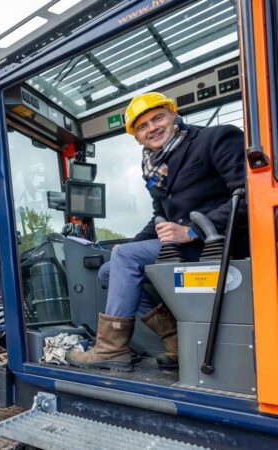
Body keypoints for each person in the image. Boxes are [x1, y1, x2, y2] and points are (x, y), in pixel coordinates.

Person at [66, 92, 248, 372]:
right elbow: (159, 219)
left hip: (222, 245)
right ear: (137, 137)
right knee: (110, 269)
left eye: (158, 118)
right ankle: (176, 341)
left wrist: (192, 230)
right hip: (188, 248)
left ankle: (110, 349)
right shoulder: (155, 170)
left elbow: (248, 196)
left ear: (173, 116)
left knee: (126, 258)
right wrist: (128, 246)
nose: (152, 128)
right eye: (142, 126)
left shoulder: (216, 138)